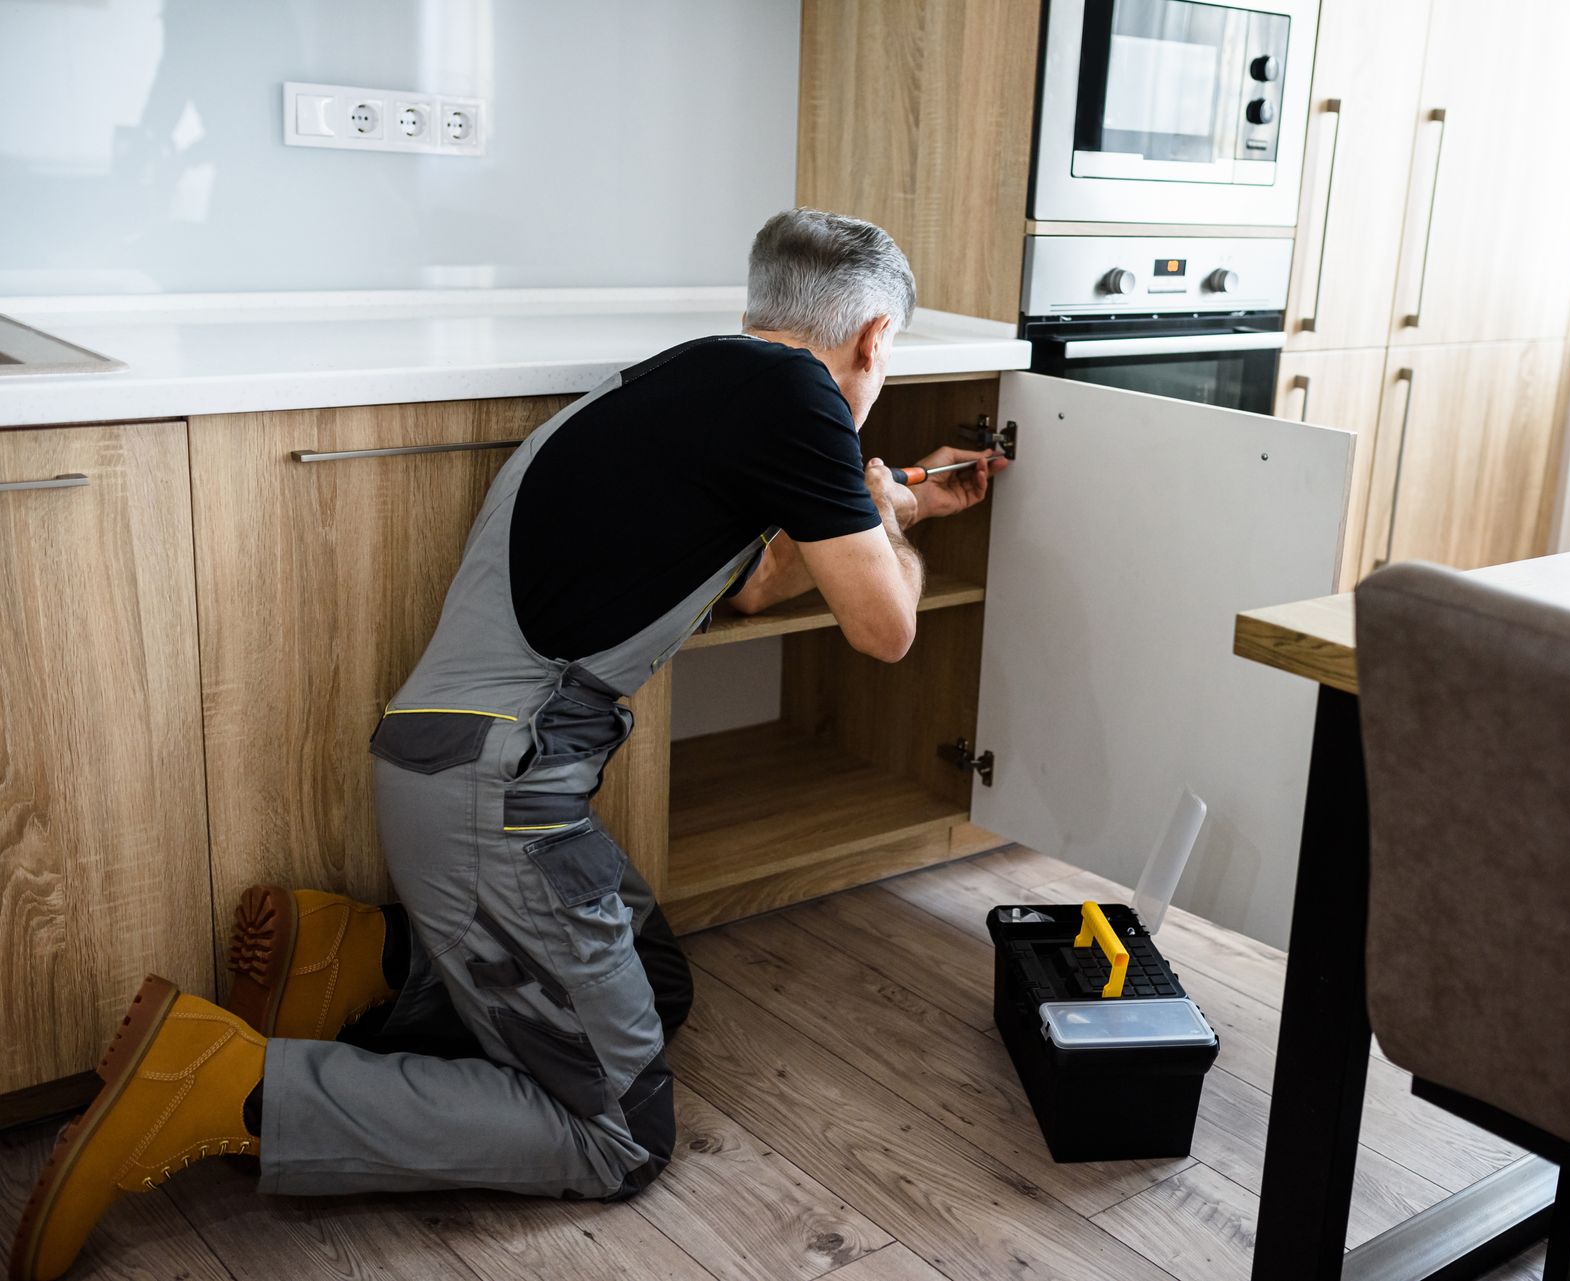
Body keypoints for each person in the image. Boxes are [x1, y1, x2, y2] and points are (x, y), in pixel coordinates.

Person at [8, 207, 1007, 1281]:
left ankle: (364, 964)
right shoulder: (799, 397)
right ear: (873, 340)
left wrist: (886, 496)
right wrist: (888, 522)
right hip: (502, 797)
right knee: (619, 1133)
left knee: (657, 980)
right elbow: (886, 631)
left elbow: (757, 584)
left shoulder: (686, 382)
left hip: (469, 776)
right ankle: (233, 1090)